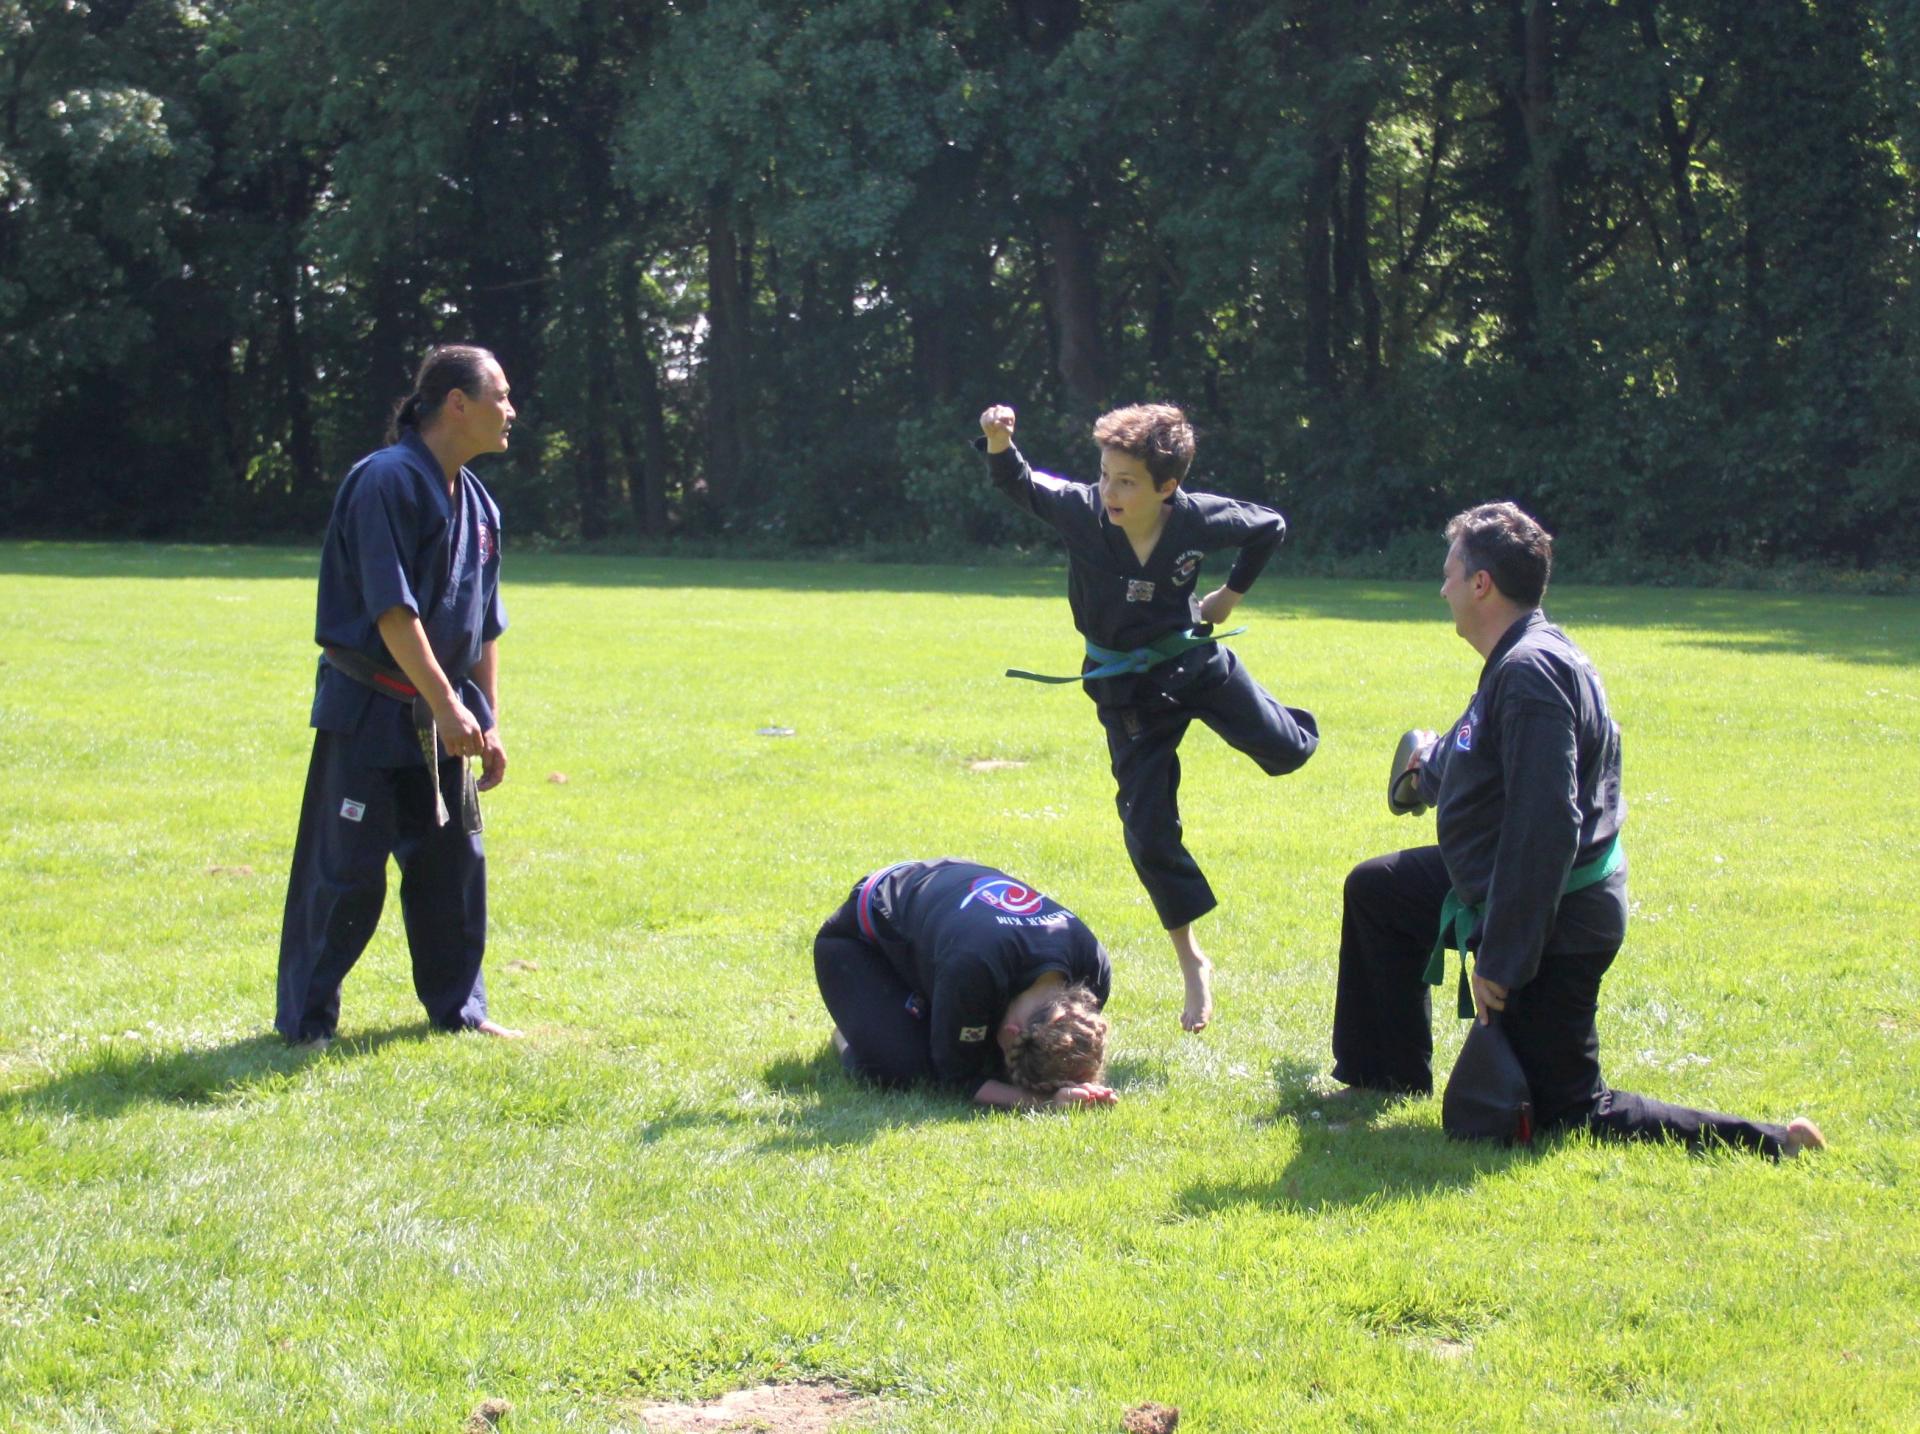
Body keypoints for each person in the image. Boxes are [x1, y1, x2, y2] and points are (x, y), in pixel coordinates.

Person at [1329, 502, 1824, 1156]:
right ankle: (1382, 1077)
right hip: (1517, 883)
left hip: (1561, 914)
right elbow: (1484, 761)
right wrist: (1429, 770)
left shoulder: (1530, 674)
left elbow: (1547, 828)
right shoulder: (1520, 655)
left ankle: (1772, 1142)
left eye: (1450, 574)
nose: (1442, 588)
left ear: (1482, 584)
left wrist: (1502, 960)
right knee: (1380, 891)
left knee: (1568, 1109)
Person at [976, 403, 1318, 1033]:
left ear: (1167, 487)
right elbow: (1020, 482)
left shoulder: (1197, 518)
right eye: (1105, 475)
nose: (1109, 490)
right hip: (1126, 691)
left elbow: (1268, 525)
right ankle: (1192, 962)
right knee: (1149, 829)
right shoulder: (1083, 512)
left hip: (1193, 661)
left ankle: (1285, 722)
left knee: (1291, 750)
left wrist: (1228, 595)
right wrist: (1000, 442)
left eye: (1126, 481)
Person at [275, 344, 521, 1048]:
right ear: (456, 403)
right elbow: (392, 610)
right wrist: (447, 707)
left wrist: (485, 718)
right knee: (345, 874)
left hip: (445, 717)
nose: (511, 411)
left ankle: (459, 1011)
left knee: (453, 871)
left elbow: (484, 625)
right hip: (370, 711)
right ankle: (307, 1023)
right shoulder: (384, 482)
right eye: (500, 396)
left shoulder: (479, 505)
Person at [814, 859, 1117, 1109]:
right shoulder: (974, 974)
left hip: (946, 886)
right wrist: (1041, 1102)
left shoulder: (1093, 972)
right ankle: (850, 1033)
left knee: (970, 1045)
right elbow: (958, 1080)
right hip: (861, 937)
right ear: (1011, 1034)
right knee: (908, 1070)